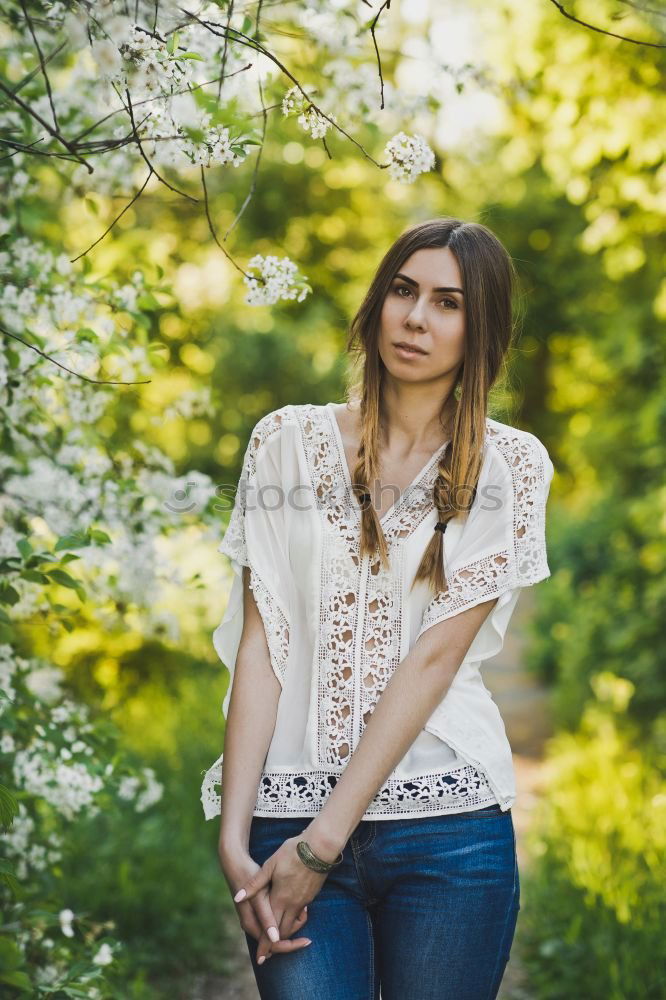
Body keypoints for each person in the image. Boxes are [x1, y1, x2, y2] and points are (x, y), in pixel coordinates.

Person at [201, 217, 555, 999]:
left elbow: (434, 660)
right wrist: (235, 833)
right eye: (403, 290)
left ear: (481, 328)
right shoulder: (284, 443)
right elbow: (267, 641)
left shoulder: (512, 466)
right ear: (377, 302)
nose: (417, 318)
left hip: (450, 834)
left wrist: (322, 848)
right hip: (285, 817)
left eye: (448, 302)